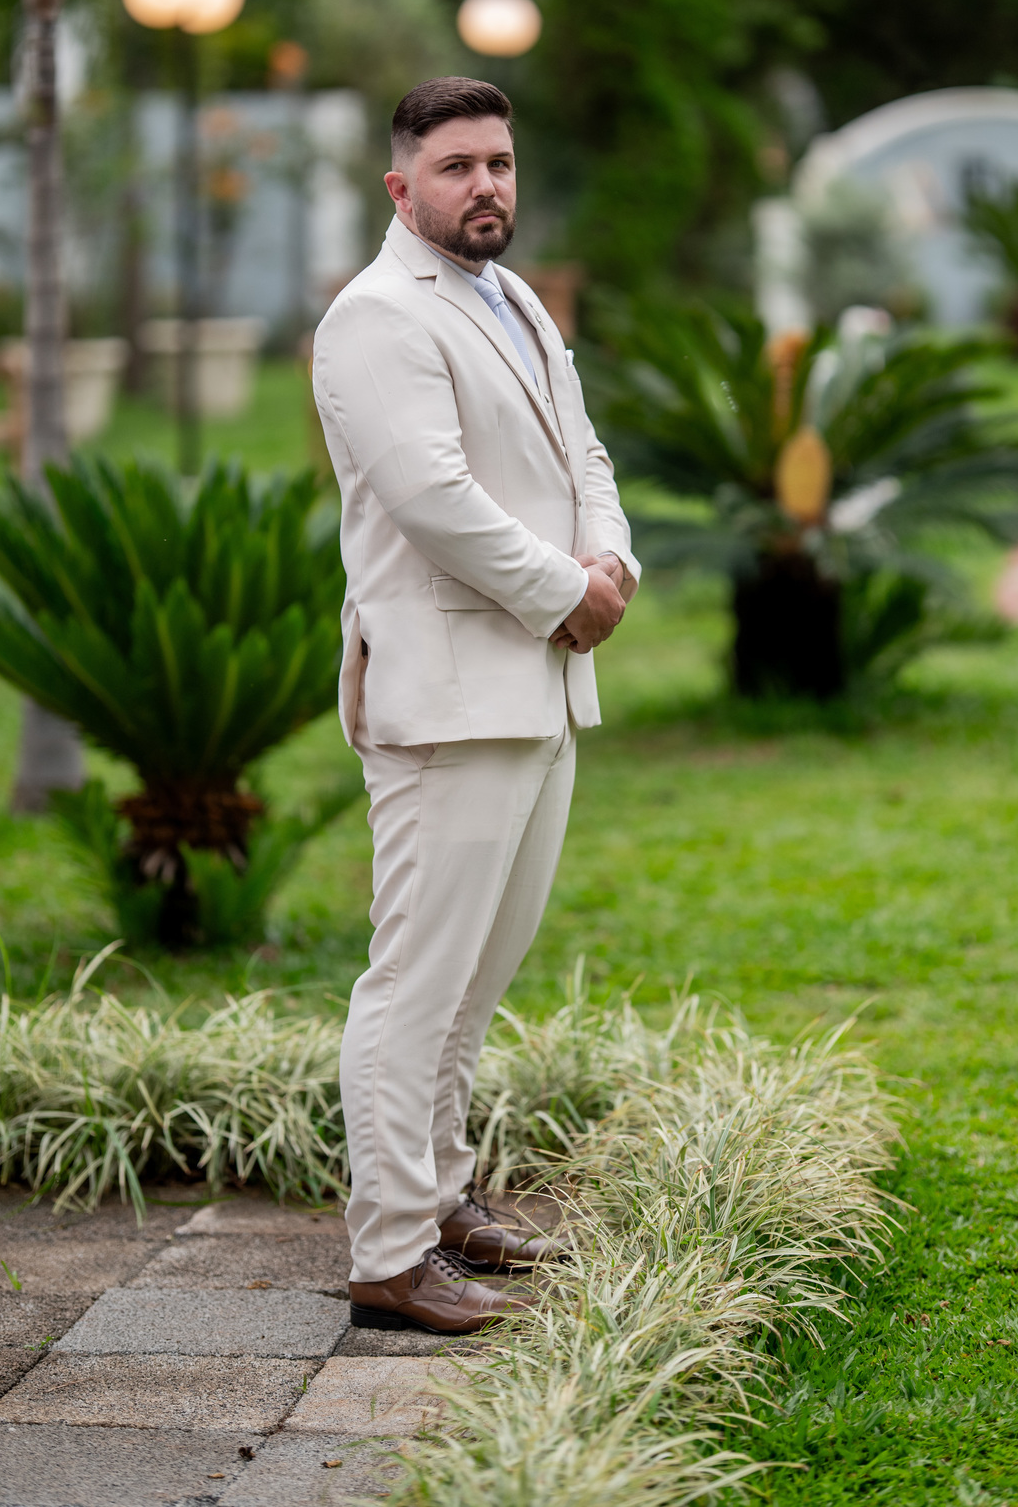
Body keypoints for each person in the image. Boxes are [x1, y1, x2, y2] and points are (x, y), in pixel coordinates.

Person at [312, 76, 639, 1335]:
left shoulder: (515, 298)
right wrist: (566, 592)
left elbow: (583, 452)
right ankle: (389, 1254)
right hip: (449, 691)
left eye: (498, 161)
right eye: (456, 167)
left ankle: (443, 1197)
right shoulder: (375, 317)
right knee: (416, 980)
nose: (486, 184)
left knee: (476, 978)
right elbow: (433, 500)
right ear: (403, 188)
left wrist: (611, 563)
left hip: (540, 684)